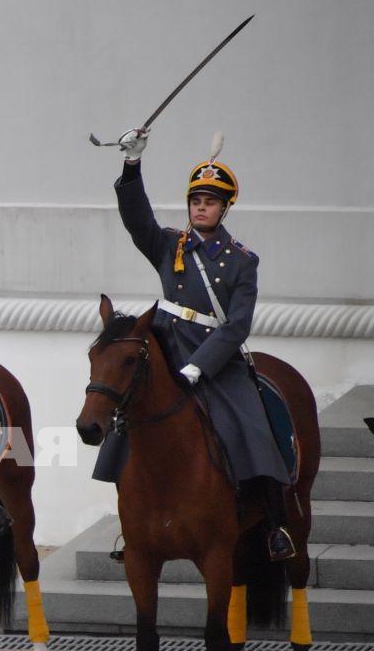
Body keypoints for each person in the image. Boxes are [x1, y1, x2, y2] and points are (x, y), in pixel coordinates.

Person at [110, 129, 295, 561]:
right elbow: (137, 220)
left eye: (209, 201)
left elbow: (238, 325)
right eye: (196, 200)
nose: (201, 207)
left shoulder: (243, 260)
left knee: (251, 427)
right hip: (164, 345)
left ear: (225, 207)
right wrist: (132, 165)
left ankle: (273, 523)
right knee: (124, 418)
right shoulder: (170, 243)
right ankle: (131, 524)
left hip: (215, 356)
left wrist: (200, 367)